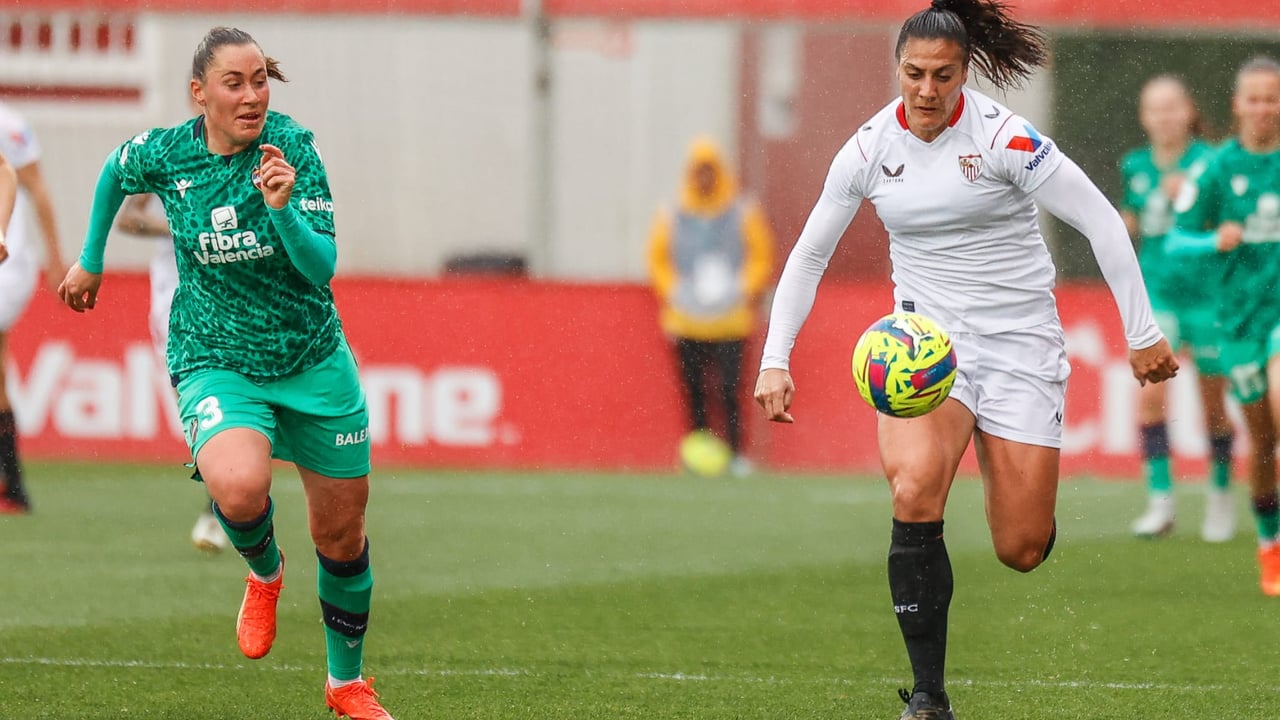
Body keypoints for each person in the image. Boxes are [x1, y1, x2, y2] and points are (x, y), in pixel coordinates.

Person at [751, 1, 1179, 717]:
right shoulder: (866, 149)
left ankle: (1018, 487)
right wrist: (775, 356)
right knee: (915, 490)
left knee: (1021, 546)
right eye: (913, 73)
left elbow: (1101, 219)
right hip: (927, 348)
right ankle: (927, 697)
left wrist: (1142, 333)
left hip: (1018, 344)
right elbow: (808, 254)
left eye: (942, 76)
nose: (925, 90)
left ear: (965, 73)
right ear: (898, 69)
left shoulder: (1008, 141)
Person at [57, 27, 394, 719]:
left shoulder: (292, 148)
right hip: (215, 356)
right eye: (234, 84)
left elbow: (322, 269)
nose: (251, 97)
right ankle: (265, 573)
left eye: (259, 81)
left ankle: (345, 683)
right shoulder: (171, 152)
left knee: (342, 536)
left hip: (311, 360)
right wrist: (90, 255)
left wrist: (281, 209)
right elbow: (115, 171)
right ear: (199, 94)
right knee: (239, 490)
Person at [1168, 56, 1280, 596]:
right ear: (1238, 106)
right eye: (1254, 98)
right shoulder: (1216, 168)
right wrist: (1215, 239)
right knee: (1262, 444)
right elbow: (1175, 238)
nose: (1263, 108)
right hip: (1238, 323)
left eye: (1272, 98)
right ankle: (1268, 544)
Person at [1119, 75, 1234, 541]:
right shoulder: (1135, 165)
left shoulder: (1211, 163)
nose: (1164, 117)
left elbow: (1229, 223)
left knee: (1214, 406)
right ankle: (1161, 503)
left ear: (1189, 111)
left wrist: (1190, 198)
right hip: (1157, 296)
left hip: (1208, 298)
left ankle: (1221, 497)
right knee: (1149, 394)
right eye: (1154, 109)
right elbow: (1129, 219)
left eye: (1172, 107)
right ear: (1144, 117)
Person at [646, 137, 774, 476]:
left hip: (730, 319)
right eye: (698, 171)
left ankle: (735, 454)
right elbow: (658, 259)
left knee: (730, 390)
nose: (704, 178)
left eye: (709, 171)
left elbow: (761, 256)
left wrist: (740, 287)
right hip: (686, 318)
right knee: (694, 392)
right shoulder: (673, 211)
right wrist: (674, 290)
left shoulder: (742, 209)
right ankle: (697, 453)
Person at [115, 190, 230, 553]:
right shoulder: (166, 156)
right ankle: (223, 499)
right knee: (194, 409)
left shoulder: (245, 160)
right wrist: (177, 227)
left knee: (226, 400)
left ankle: (219, 508)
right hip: (172, 298)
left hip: (226, 296)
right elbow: (128, 218)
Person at [0, 101, 66, 515]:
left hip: (10, 264)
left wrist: (57, 259)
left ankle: (12, 481)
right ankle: (13, 482)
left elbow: (30, 184)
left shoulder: (9, 124)